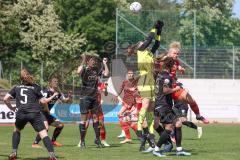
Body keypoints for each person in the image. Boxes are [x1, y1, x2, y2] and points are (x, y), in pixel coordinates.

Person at [126, 20, 164, 151]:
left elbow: (156, 43)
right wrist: (154, 27)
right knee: (146, 105)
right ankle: (140, 130)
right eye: (141, 43)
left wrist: (159, 30)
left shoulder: (148, 53)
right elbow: (149, 40)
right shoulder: (141, 50)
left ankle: (150, 135)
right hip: (144, 79)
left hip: (151, 81)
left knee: (150, 111)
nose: (144, 43)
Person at [3, 69, 57, 160]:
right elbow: (43, 101)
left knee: (17, 130)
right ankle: (52, 155)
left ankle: (14, 152)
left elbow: (5, 99)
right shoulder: (35, 86)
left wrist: (12, 108)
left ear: (20, 78)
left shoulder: (16, 87)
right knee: (43, 134)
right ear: (29, 76)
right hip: (34, 113)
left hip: (21, 113)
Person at [163, 41, 209, 124]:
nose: (176, 55)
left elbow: (177, 66)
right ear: (169, 53)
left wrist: (181, 69)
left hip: (173, 87)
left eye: (177, 54)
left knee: (190, 99)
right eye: (174, 53)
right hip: (163, 88)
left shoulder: (176, 62)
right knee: (163, 113)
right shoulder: (164, 60)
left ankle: (198, 115)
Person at [153, 57, 191, 157]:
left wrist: (174, 84)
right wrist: (176, 88)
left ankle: (179, 150)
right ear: (170, 65)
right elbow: (165, 90)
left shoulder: (161, 75)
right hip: (163, 106)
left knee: (178, 124)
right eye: (174, 64)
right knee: (169, 127)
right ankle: (156, 149)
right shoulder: (166, 76)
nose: (175, 66)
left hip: (162, 105)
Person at [77, 54, 109, 148]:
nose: (94, 62)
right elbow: (78, 71)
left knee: (96, 119)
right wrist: (83, 60)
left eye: (94, 61)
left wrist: (104, 63)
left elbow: (106, 73)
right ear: (87, 62)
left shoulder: (96, 71)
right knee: (84, 121)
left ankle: (98, 140)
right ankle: (82, 142)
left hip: (94, 98)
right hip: (85, 98)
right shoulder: (84, 70)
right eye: (92, 61)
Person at [32, 77, 72, 148]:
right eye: (54, 81)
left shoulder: (58, 93)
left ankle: (53, 141)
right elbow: (44, 102)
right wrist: (48, 110)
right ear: (50, 83)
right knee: (46, 128)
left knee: (60, 125)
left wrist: (69, 97)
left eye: (57, 81)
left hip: (47, 113)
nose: (56, 82)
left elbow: (65, 101)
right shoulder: (46, 92)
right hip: (41, 112)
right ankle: (35, 143)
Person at [77, 81, 110, 147]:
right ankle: (81, 141)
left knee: (101, 123)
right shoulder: (89, 83)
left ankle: (101, 140)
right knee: (86, 124)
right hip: (89, 106)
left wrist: (106, 88)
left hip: (97, 107)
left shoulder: (101, 84)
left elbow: (106, 94)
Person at [115, 70, 139, 144]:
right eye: (129, 73)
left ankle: (129, 137)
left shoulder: (135, 82)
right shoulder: (125, 82)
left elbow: (137, 90)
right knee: (128, 121)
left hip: (130, 102)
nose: (130, 75)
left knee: (119, 115)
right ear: (127, 74)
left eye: (132, 73)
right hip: (125, 101)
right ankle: (140, 136)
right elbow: (121, 89)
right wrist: (117, 95)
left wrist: (134, 90)